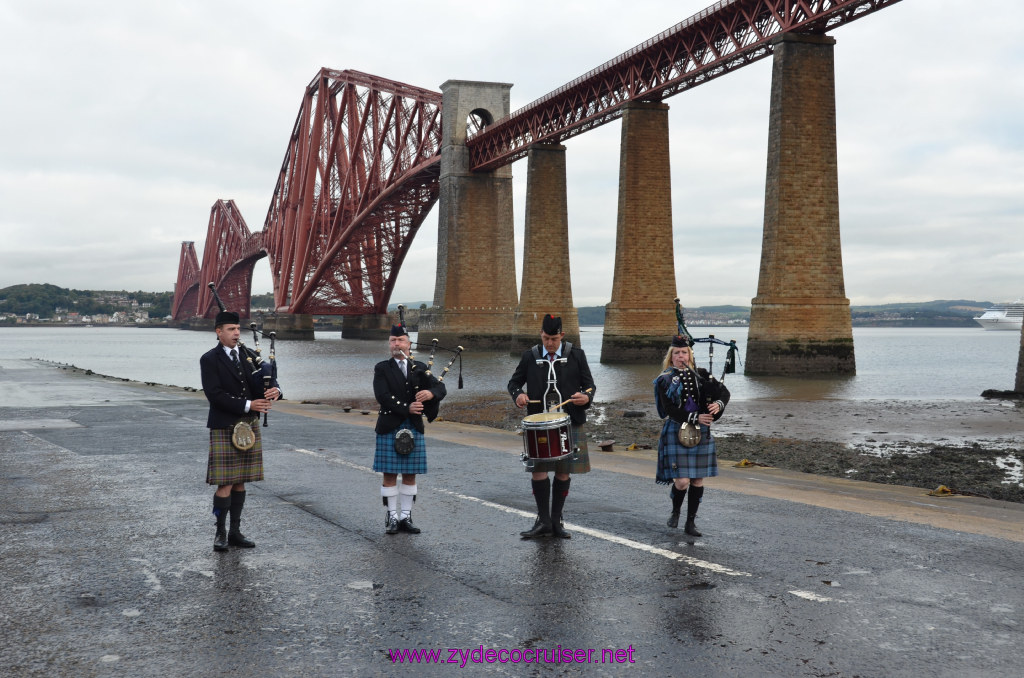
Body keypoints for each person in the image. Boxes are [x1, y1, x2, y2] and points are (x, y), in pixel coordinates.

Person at [508, 314, 596, 539]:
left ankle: (556, 521)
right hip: (539, 424)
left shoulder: (575, 355)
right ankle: (543, 521)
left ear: (562, 336)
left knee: (563, 472)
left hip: (569, 422)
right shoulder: (531, 356)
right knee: (538, 471)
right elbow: (514, 382)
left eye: (554, 339)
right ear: (541, 335)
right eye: (546, 338)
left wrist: (586, 398)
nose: (549, 343)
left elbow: (589, 386)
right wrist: (518, 395)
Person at [200, 310, 281, 552]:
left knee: (240, 483)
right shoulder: (209, 359)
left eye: (238, 329)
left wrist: (276, 391)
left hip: (249, 424)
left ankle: (235, 531)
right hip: (225, 423)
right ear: (218, 332)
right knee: (225, 482)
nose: (236, 333)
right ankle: (220, 532)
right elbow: (213, 394)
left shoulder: (248, 355)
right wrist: (248, 404)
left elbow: (267, 378)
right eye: (231, 329)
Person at [373, 322, 446, 535]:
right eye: (393, 341)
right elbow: (382, 396)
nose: (397, 344)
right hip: (390, 425)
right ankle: (392, 517)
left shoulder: (419, 367)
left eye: (401, 340)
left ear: (409, 343)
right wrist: (407, 408)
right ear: (389, 344)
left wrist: (431, 394)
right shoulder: (382, 368)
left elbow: (441, 387)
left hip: (413, 426)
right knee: (389, 474)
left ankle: (406, 517)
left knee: (410, 474)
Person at [654, 335, 729, 537]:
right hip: (677, 429)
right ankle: (676, 509)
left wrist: (718, 405)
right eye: (677, 353)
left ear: (690, 355)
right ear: (671, 357)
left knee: (697, 480)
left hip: (701, 431)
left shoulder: (702, 375)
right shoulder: (665, 379)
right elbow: (670, 409)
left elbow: (724, 393)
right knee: (682, 481)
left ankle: (690, 522)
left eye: (684, 352)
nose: (681, 356)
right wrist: (696, 417)